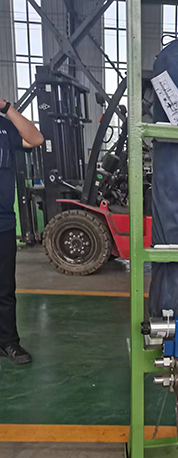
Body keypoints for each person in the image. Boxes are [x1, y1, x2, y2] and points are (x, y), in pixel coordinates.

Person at [0, 98, 44, 364]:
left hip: (3, 224)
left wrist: (6, 108)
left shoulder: (5, 128)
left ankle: (8, 342)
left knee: (5, 289)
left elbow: (36, 138)